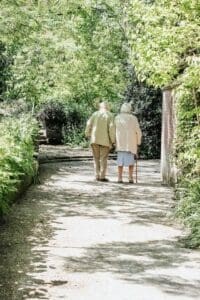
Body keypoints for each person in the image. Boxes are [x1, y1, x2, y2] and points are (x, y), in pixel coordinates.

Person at [85, 101, 115, 182]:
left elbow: (88, 124)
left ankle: (97, 175)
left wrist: (87, 133)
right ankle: (102, 176)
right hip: (105, 140)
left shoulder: (95, 114)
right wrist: (113, 140)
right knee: (103, 158)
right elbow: (111, 128)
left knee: (96, 158)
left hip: (94, 139)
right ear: (107, 107)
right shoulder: (110, 115)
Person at [115, 102, 142, 183]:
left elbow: (114, 130)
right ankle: (130, 177)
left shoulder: (117, 118)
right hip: (131, 143)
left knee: (120, 161)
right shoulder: (133, 118)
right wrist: (138, 142)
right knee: (131, 161)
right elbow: (138, 131)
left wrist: (113, 141)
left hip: (120, 142)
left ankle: (120, 178)